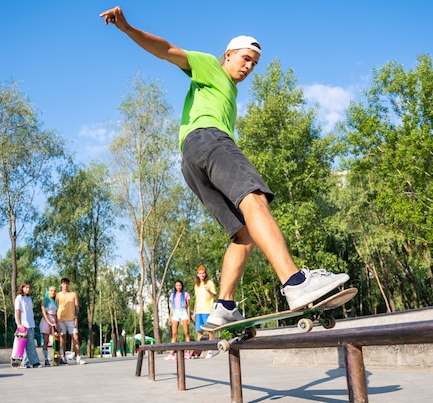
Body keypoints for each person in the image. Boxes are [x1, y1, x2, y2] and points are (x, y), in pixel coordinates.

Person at [100, 6, 349, 328]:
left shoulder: (226, 91)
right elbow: (167, 51)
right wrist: (128, 28)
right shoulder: (208, 66)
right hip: (208, 140)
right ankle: (296, 283)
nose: (249, 67)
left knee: (244, 234)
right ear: (228, 54)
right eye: (245, 59)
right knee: (255, 199)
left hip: (191, 161)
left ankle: (225, 307)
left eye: (254, 64)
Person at [56, 278, 86, 365]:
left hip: (71, 319)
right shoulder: (58, 295)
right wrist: (56, 321)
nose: (65, 285)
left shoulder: (73, 294)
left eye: (67, 284)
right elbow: (56, 307)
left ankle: (78, 357)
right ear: (61, 285)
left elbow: (77, 307)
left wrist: (76, 318)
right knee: (62, 339)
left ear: (68, 284)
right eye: (64, 284)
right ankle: (63, 357)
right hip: (61, 319)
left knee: (75, 338)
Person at [14, 282, 41, 368]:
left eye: (29, 288)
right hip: (23, 324)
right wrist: (19, 324)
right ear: (22, 288)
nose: (28, 289)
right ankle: (33, 362)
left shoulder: (29, 298)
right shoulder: (19, 298)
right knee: (22, 344)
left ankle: (27, 362)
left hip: (30, 324)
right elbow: (17, 311)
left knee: (30, 344)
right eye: (26, 287)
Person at [164, 280, 191, 360]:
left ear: (182, 286)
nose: (178, 287)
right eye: (177, 285)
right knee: (174, 334)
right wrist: (170, 317)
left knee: (186, 333)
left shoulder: (185, 294)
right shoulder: (173, 295)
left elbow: (188, 306)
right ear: (175, 287)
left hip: (183, 311)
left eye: (179, 285)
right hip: (175, 312)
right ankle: (171, 353)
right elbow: (172, 307)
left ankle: (188, 352)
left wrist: (188, 316)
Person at [39, 285, 58, 366]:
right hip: (46, 321)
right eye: (51, 290)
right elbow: (44, 314)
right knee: (46, 341)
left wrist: (56, 322)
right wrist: (50, 323)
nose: (53, 292)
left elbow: (56, 313)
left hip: (54, 320)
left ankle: (56, 357)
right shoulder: (44, 301)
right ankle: (46, 358)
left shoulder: (55, 302)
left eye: (54, 291)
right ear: (48, 291)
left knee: (56, 340)